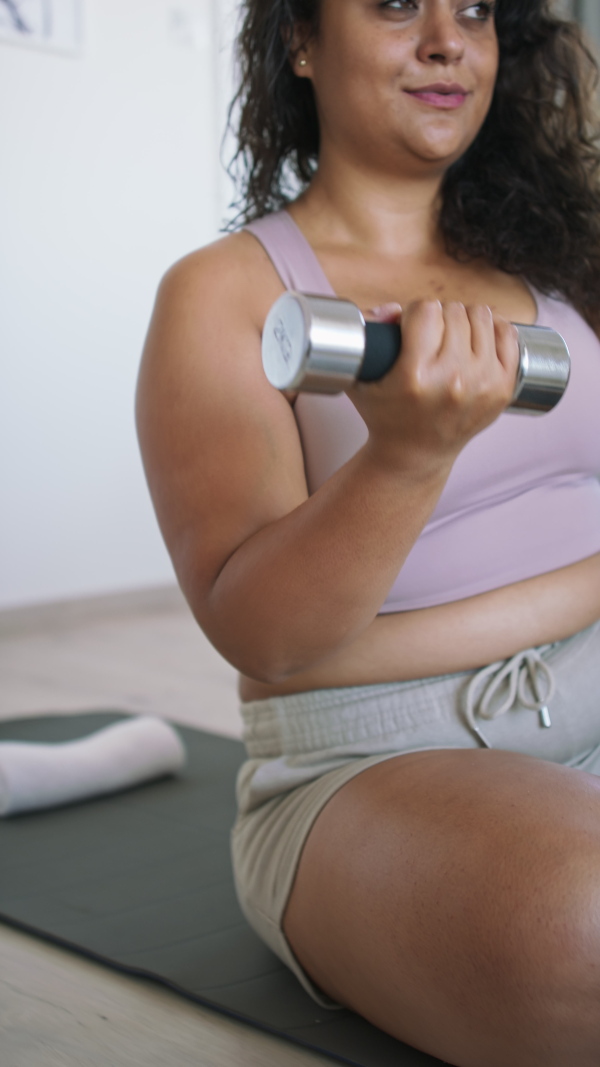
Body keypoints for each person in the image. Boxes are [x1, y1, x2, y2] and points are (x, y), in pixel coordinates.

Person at [135, 1, 600, 1062]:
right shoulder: (229, 296)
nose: (446, 40)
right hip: (377, 750)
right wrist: (407, 455)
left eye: (474, 11)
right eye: (397, 4)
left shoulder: (562, 267)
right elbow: (271, 640)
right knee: (587, 930)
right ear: (301, 39)